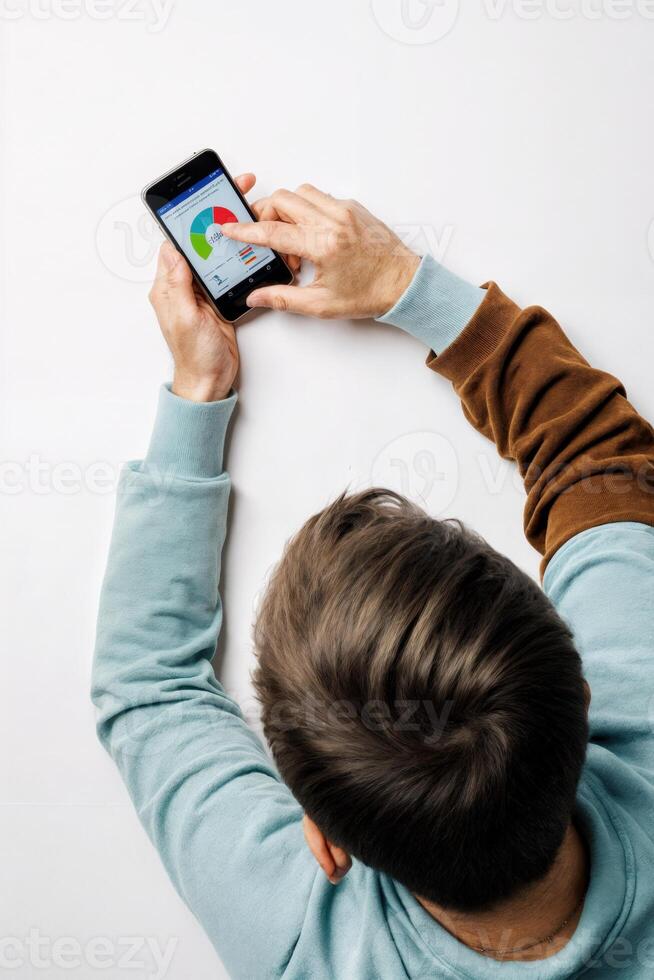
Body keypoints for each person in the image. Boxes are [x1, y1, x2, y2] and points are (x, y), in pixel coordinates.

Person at [92, 174, 654, 978]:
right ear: (588, 688)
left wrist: (199, 388)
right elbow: (602, 463)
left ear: (326, 838)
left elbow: (144, 685)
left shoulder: (300, 936)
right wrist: (406, 285)